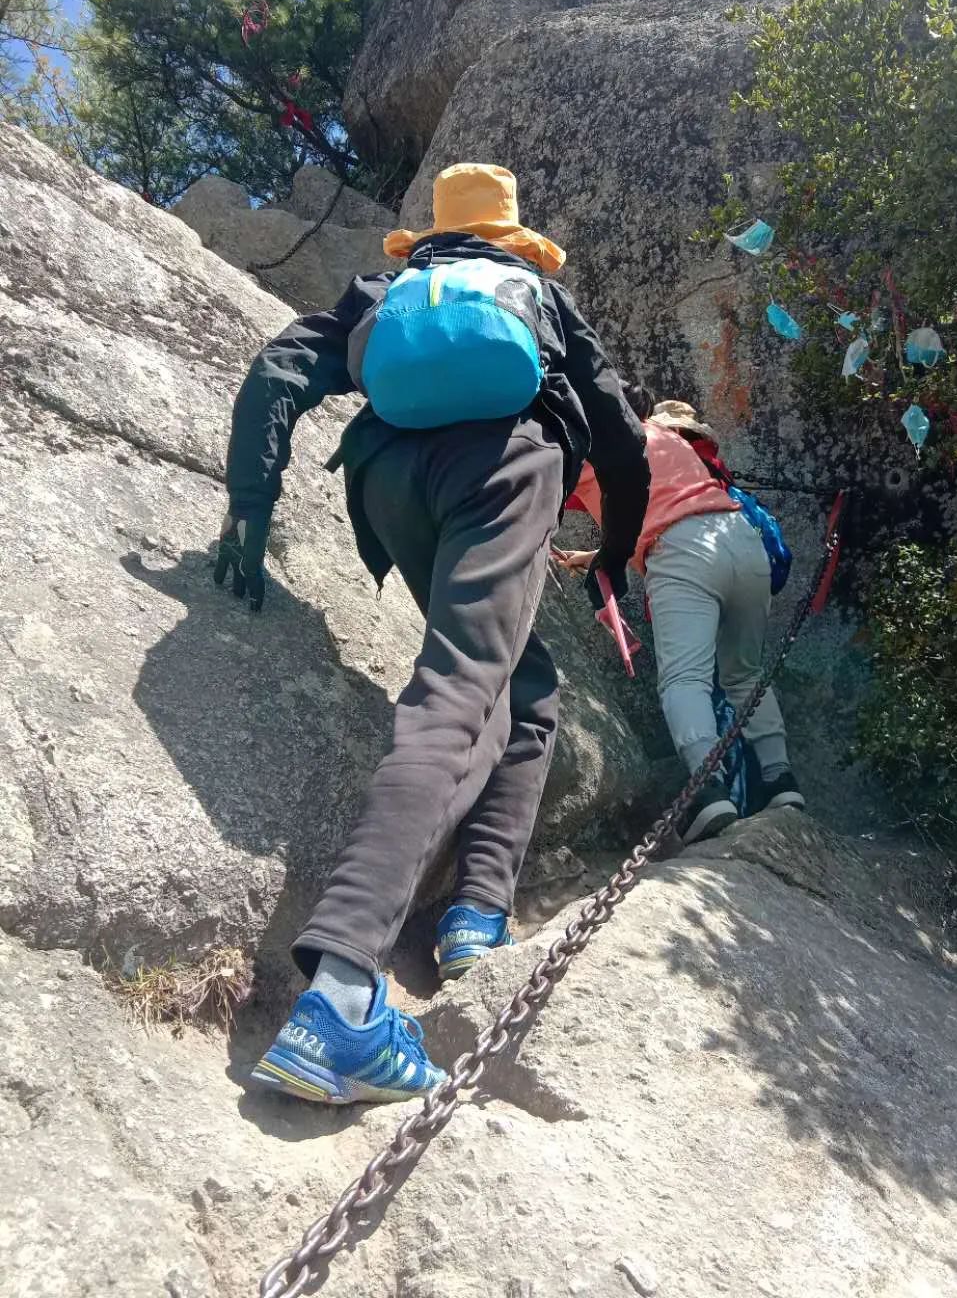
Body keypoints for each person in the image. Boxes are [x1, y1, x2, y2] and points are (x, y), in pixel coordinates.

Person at [216, 163, 650, 1105]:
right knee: (457, 691)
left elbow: (280, 369)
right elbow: (619, 433)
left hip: (387, 480)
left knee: (523, 692)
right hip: (502, 465)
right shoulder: (537, 293)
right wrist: (612, 555)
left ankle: (475, 913)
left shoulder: (389, 289)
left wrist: (250, 504)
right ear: (512, 239)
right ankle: (340, 999)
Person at [556, 384, 803, 845]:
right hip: (741, 541)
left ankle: (707, 793)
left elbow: (661, 527)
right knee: (744, 672)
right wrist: (593, 556)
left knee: (684, 680)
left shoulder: (591, 445)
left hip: (682, 552)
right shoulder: (666, 437)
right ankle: (781, 782)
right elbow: (669, 512)